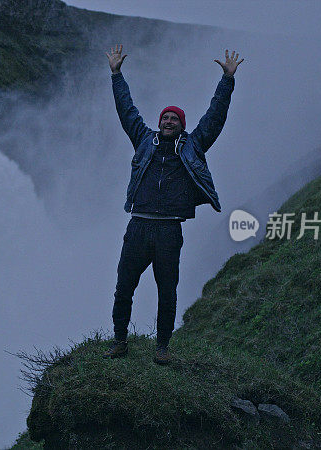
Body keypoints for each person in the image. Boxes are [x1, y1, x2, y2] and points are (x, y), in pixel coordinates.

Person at [102, 44, 242, 365]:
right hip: (138, 225)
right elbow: (127, 109)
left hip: (169, 230)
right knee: (124, 288)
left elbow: (214, 116)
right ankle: (119, 341)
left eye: (174, 118)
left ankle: (162, 348)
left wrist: (227, 80)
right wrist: (116, 74)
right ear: (159, 121)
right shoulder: (143, 139)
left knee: (167, 292)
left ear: (182, 124)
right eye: (164, 117)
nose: (168, 121)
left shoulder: (193, 145)